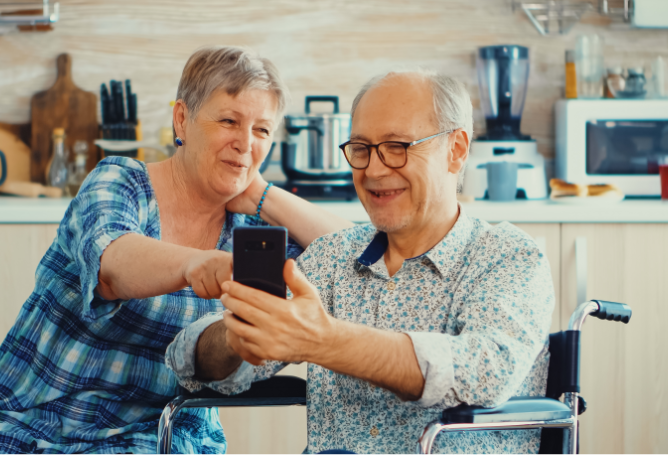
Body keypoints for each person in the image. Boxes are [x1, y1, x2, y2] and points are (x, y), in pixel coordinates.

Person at [166, 69, 555, 454]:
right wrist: (237, 335)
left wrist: (323, 341)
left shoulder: (509, 257)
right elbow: (187, 358)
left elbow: (481, 372)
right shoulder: (331, 258)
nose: (374, 169)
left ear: (455, 150)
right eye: (362, 149)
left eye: (397, 146)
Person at [0, 46, 352, 455]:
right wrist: (194, 263)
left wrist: (261, 192)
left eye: (261, 131)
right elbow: (112, 265)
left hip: (161, 436)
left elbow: (355, 257)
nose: (244, 143)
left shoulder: (254, 231)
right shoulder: (120, 181)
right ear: (182, 118)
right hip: (35, 422)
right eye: (228, 121)